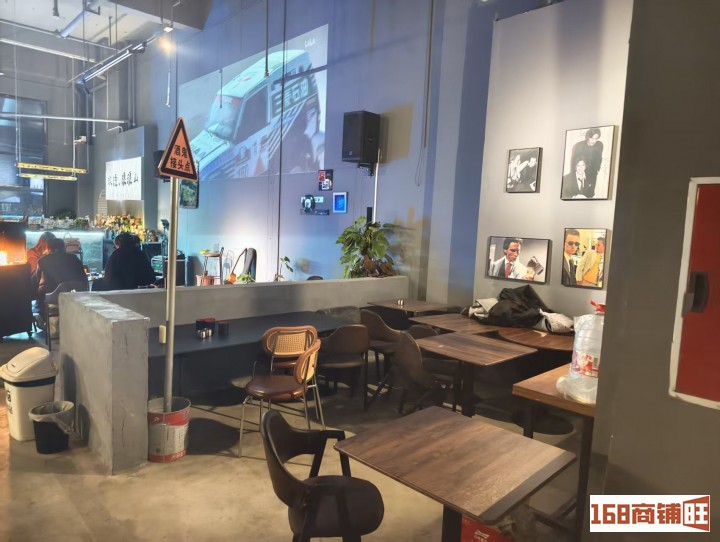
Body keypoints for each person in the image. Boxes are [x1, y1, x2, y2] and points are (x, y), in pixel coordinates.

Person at [570, 127, 603, 198]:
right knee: (577, 194)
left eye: (596, 138)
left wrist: (597, 169)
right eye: (592, 138)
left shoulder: (599, 145)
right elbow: (574, 162)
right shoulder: (579, 146)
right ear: (588, 137)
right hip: (581, 172)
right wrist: (574, 174)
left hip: (592, 173)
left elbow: (599, 158)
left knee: (589, 194)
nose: (594, 141)